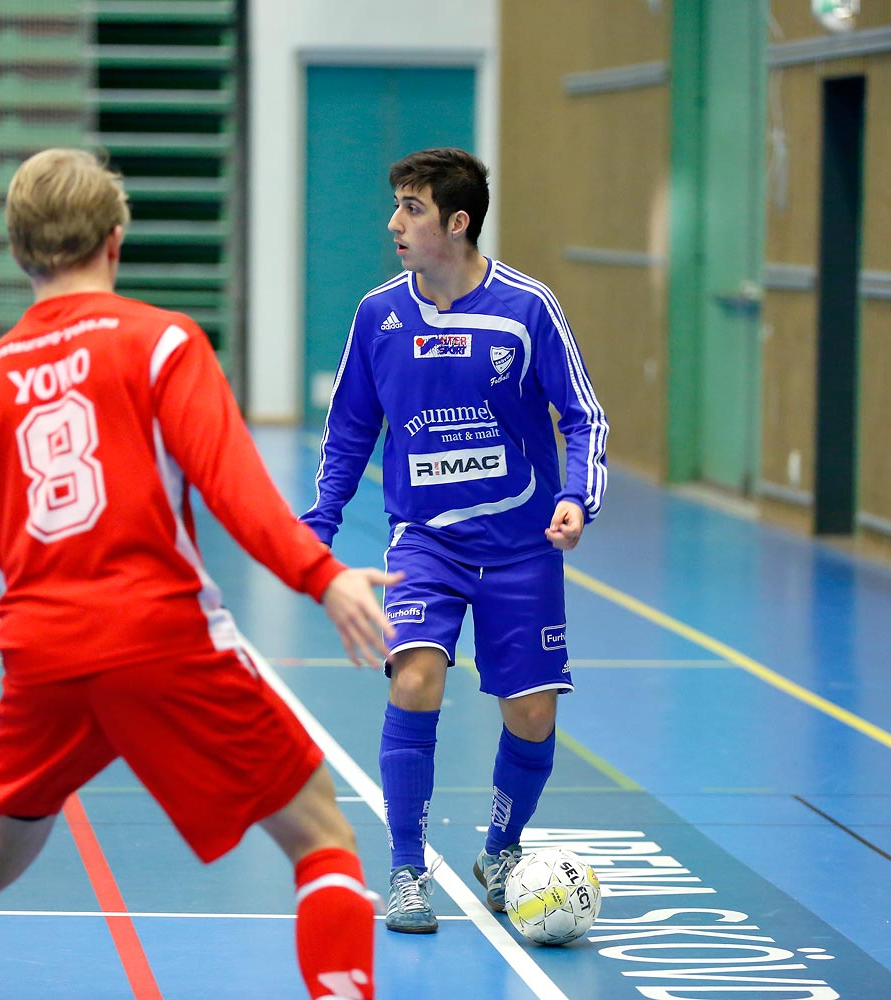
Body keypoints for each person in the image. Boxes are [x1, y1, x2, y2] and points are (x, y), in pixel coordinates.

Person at [0, 148, 398, 1000]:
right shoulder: (162, 343)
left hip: (43, 656)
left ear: (19, 252)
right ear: (116, 240)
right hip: (161, 639)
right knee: (321, 835)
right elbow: (233, 484)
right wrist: (322, 575)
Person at [301, 147, 609, 933]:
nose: (394, 221)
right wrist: (319, 527)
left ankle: (502, 850)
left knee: (533, 714)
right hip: (425, 543)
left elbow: (583, 415)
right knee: (414, 680)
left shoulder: (527, 308)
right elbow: (349, 430)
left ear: (457, 221)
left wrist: (577, 496)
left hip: (523, 547)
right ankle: (408, 869)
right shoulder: (380, 316)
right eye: (398, 204)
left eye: (411, 207)